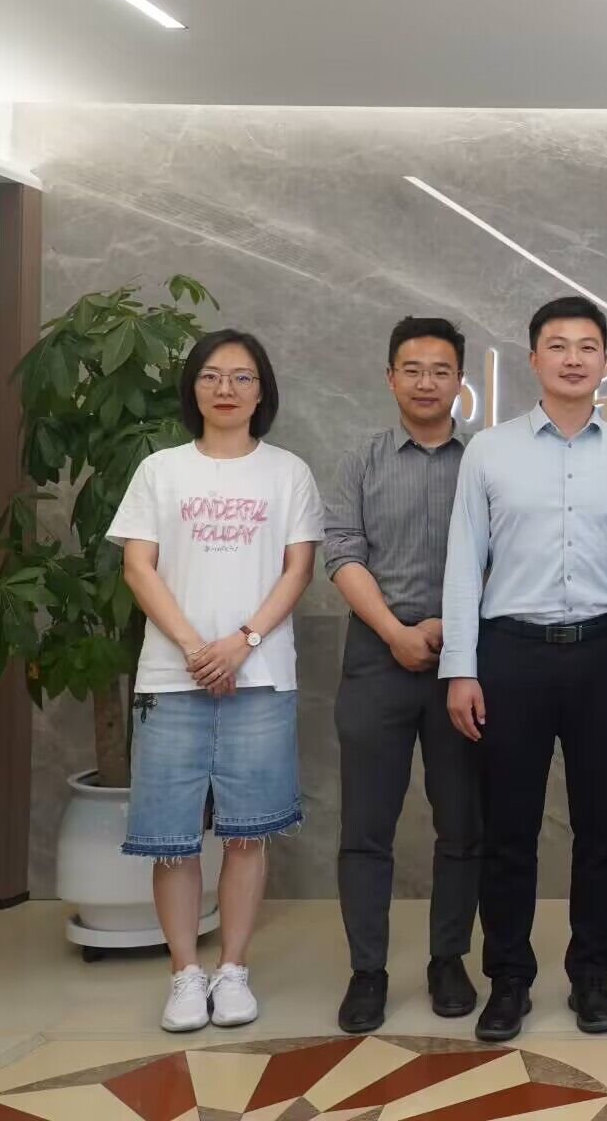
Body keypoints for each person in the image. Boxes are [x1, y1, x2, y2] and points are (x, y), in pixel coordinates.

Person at [441, 296, 607, 1043]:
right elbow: (464, 563)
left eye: (587, 346)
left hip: (605, 653)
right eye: (558, 346)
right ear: (533, 358)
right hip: (511, 653)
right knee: (509, 829)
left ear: (606, 362)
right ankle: (508, 979)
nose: (573, 358)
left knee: (602, 828)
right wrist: (461, 669)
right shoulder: (489, 452)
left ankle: (593, 977)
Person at [109, 329, 324, 1033]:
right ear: (192, 389)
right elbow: (138, 566)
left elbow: (297, 569)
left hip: (260, 678)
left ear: (262, 391)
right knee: (172, 839)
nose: (225, 388)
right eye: (210, 376)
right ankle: (183, 973)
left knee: (247, 834)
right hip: (172, 678)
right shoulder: (160, 470)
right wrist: (197, 648)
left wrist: (242, 643)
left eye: (241, 377)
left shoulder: (288, 473)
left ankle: (232, 969)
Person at [324, 316, 481, 1033]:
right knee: (366, 826)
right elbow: (342, 552)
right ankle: (368, 972)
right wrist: (395, 632)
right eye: (412, 369)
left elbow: (504, 555)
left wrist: (449, 631)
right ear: (391, 378)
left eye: (440, 370)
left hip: (463, 662)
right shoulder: (360, 461)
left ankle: (449, 959)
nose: (426, 382)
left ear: (460, 382)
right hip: (375, 657)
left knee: (463, 824)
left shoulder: (483, 462)